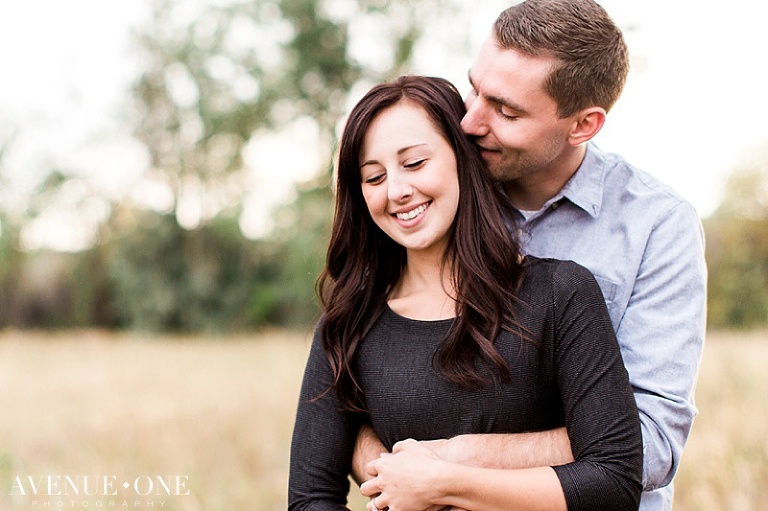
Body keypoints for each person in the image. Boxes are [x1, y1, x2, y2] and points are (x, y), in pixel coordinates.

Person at [351, 1, 707, 510]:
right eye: (474, 88)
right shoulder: (432, 192)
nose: (470, 122)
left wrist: (456, 461)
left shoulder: (656, 226)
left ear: (583, 125)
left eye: (506, 110)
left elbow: (649, 443)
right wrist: (396, 474)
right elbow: (349, 385)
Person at [288, 75, 642, 511]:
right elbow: (309, 499)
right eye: (373, 176)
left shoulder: (560, 294)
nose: (396, 191)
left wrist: (446, 483)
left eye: (415, 163)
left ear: (462, 158)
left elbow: (614, 479)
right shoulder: (348, 323)